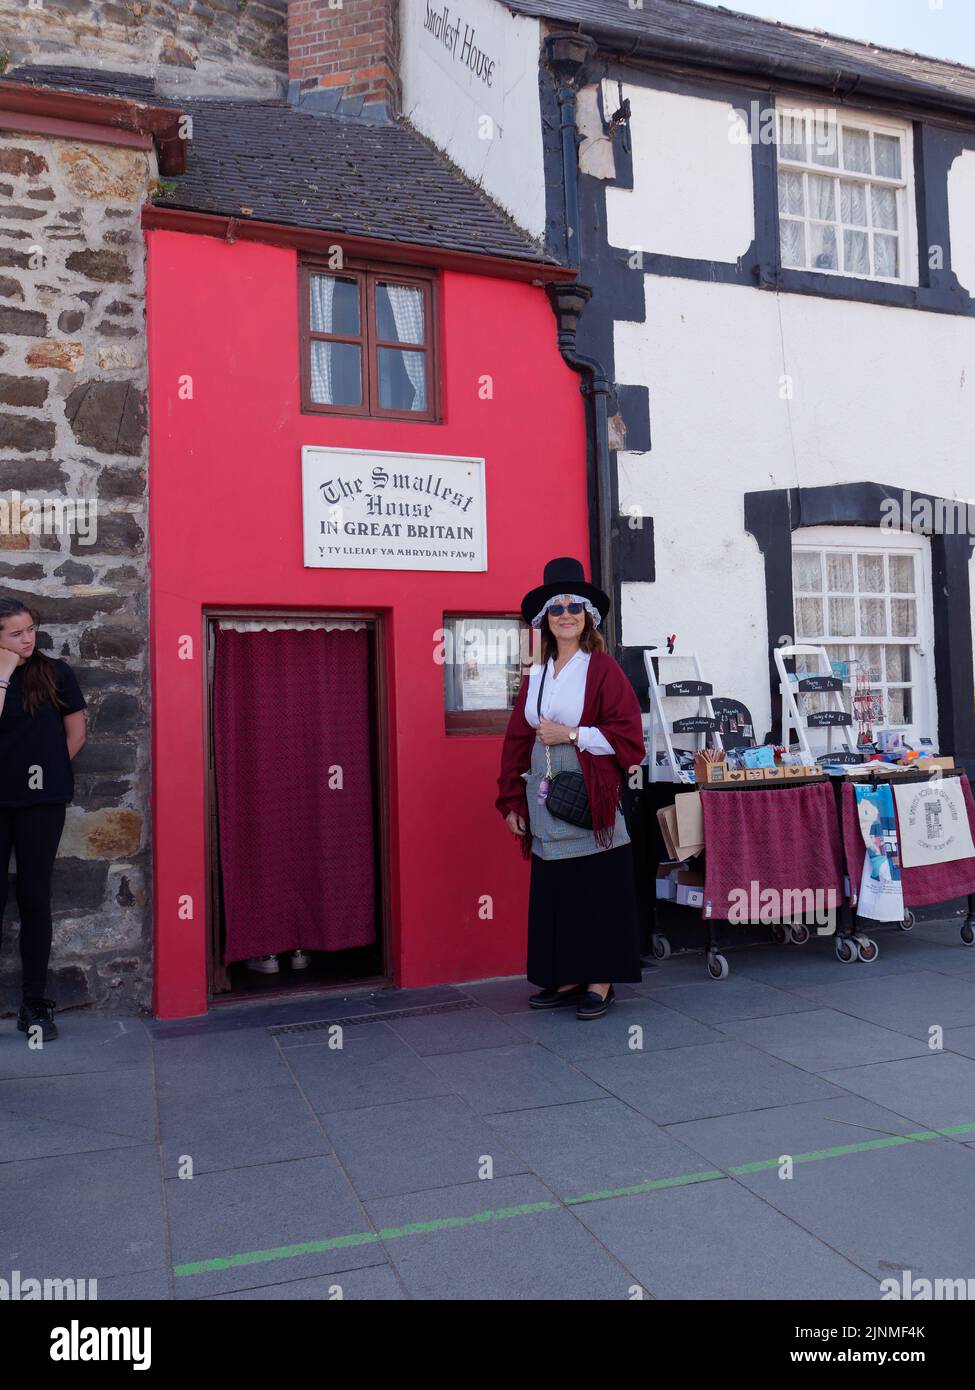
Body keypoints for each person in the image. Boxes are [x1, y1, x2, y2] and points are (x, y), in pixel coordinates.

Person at [496, 557, 648, 1019]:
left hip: (589, 792)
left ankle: (600, 982)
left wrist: (574, 735)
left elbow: (629, 738)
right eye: (557, 608)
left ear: (587, 619)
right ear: (545, 620)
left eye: (574, 608)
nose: (565, 615)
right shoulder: (536, 675)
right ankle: (565, 976)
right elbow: (518, 740)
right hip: (542, 793)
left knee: (597, 887)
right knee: (556, 888)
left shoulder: (601, 669)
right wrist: (508, 800)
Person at [0, 598, 87, 1041]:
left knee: (36, 900)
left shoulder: (55, 673)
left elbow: (76, 734)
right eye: (16, 633)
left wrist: (46, 773)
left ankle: (34, 1005)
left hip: (40, 804)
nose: (28, 638)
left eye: (30, 628)